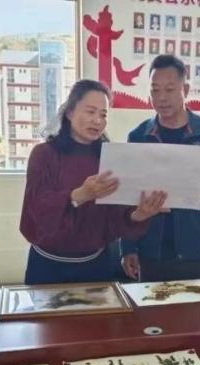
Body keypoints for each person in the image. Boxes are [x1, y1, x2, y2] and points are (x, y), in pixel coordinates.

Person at [20, 80, 167, 285]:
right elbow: (36, 209)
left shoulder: (109, 158)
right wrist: (80, 195)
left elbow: (115, 219)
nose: (97, 120)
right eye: (90, 112)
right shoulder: (44, 154)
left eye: (103, 114)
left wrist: (139, 215)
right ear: (70, 112)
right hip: (48, 266)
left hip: (95, 265)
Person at [120, 55, 200, 281]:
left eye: (170, 89)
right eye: (155, 90)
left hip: (197, 247)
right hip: (150, 248)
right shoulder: (139, 136)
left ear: (186, 89)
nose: (162, 97)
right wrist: (128, 248)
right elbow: (130, 199)